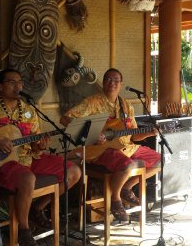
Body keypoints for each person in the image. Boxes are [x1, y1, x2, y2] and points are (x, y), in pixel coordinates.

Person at [0, 68, 81, 246]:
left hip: (29, 157)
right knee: (27, 178)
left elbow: (36, 139)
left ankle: (37, 208)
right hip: (3, 162)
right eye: (12, 82)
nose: (18, 86)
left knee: (74, 171)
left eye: (20, 82)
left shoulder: (29, 110)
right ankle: (24, 229)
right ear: (0, 86)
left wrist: (40, 144)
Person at [60, 68, 161, 221]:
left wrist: (149, 133)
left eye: (115, 80)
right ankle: (116, 199)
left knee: (160, 160)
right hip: (103, 150)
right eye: (108, 79)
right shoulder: (92, 102)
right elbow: (65, 118)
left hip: (126, 147)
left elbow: (134, 134)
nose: (111, 83)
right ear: (103, 82)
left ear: (121, 84)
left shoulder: (126, 105)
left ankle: (126, 187)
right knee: (127, 165)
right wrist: (90, 134)